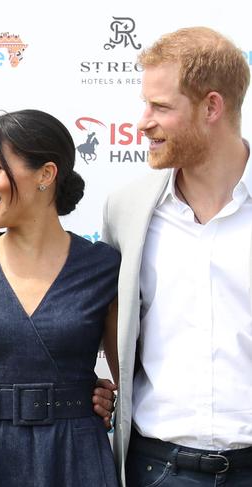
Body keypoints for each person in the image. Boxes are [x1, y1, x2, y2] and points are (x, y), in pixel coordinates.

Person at [0, 109, 120, 486]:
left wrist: (108, 399)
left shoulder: (104, 269)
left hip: (76, 458)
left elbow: (132, 387)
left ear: (46, 174)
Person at [102, 27, 252, 486]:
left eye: (161, 107)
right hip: (158, 468)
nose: (142, 122)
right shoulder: (126, 209)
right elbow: (112, 324)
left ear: (212, 106)